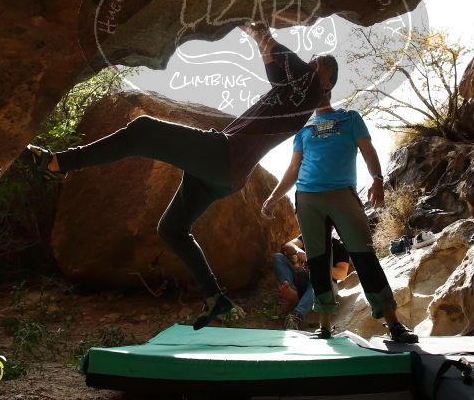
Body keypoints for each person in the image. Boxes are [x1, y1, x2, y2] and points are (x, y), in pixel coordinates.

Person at [22, 21, 339, 330]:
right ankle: (216, 299)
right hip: (225, 174)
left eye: (319, 66)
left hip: (223, 156)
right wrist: (255, 35)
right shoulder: (291, 91)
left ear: (326, 83)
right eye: (313, 62)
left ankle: (59, 163)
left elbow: (281, 56)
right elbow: (273, 60)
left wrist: (259, 29)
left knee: (144, 129)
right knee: (172, 229)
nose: (313, 64)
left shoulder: (309, 91)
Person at [261, 93, 418, 343]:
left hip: (343, 194)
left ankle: (394, 323)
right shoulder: (304, 129)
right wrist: (273, 198)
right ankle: (323, 327)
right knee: (318, 262)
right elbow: (293, 169)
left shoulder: (350, 118)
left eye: (322, 85)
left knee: (365, 257)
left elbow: (368, 149)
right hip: (308, 198)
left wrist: (377, 179)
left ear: (330, 88)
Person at [274, 232, 349, 330]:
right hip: (300, 277)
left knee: (317, 284)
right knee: (278, 257)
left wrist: (320, 268)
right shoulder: (307, 236)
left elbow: (342, 274)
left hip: (321, 282)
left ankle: (295, 316)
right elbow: (287, 246)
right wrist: (298, 251)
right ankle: (291, 291)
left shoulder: (339, 247)